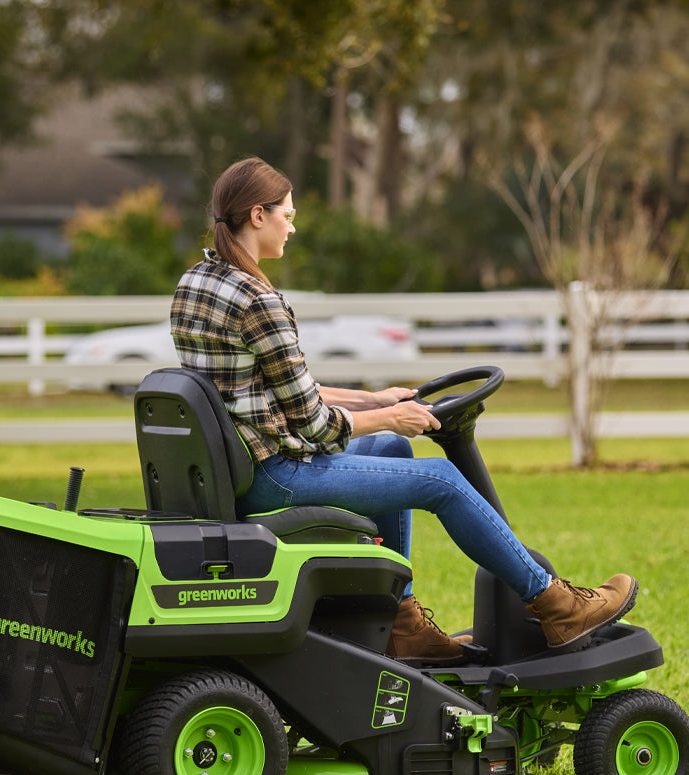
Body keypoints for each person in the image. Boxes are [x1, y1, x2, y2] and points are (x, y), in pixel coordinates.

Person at [169, 156, 638, 662]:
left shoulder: (197, 283)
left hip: (243, 470)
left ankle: (402, 621)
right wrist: (395, 416)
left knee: (392, 448)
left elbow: (274, 390)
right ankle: (557, 605)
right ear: (258, 215)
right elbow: (315, 425)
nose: (293, 226)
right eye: (288, 214)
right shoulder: (259, 301)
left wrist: (375, 400)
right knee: (442, 480)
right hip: (275, 476)